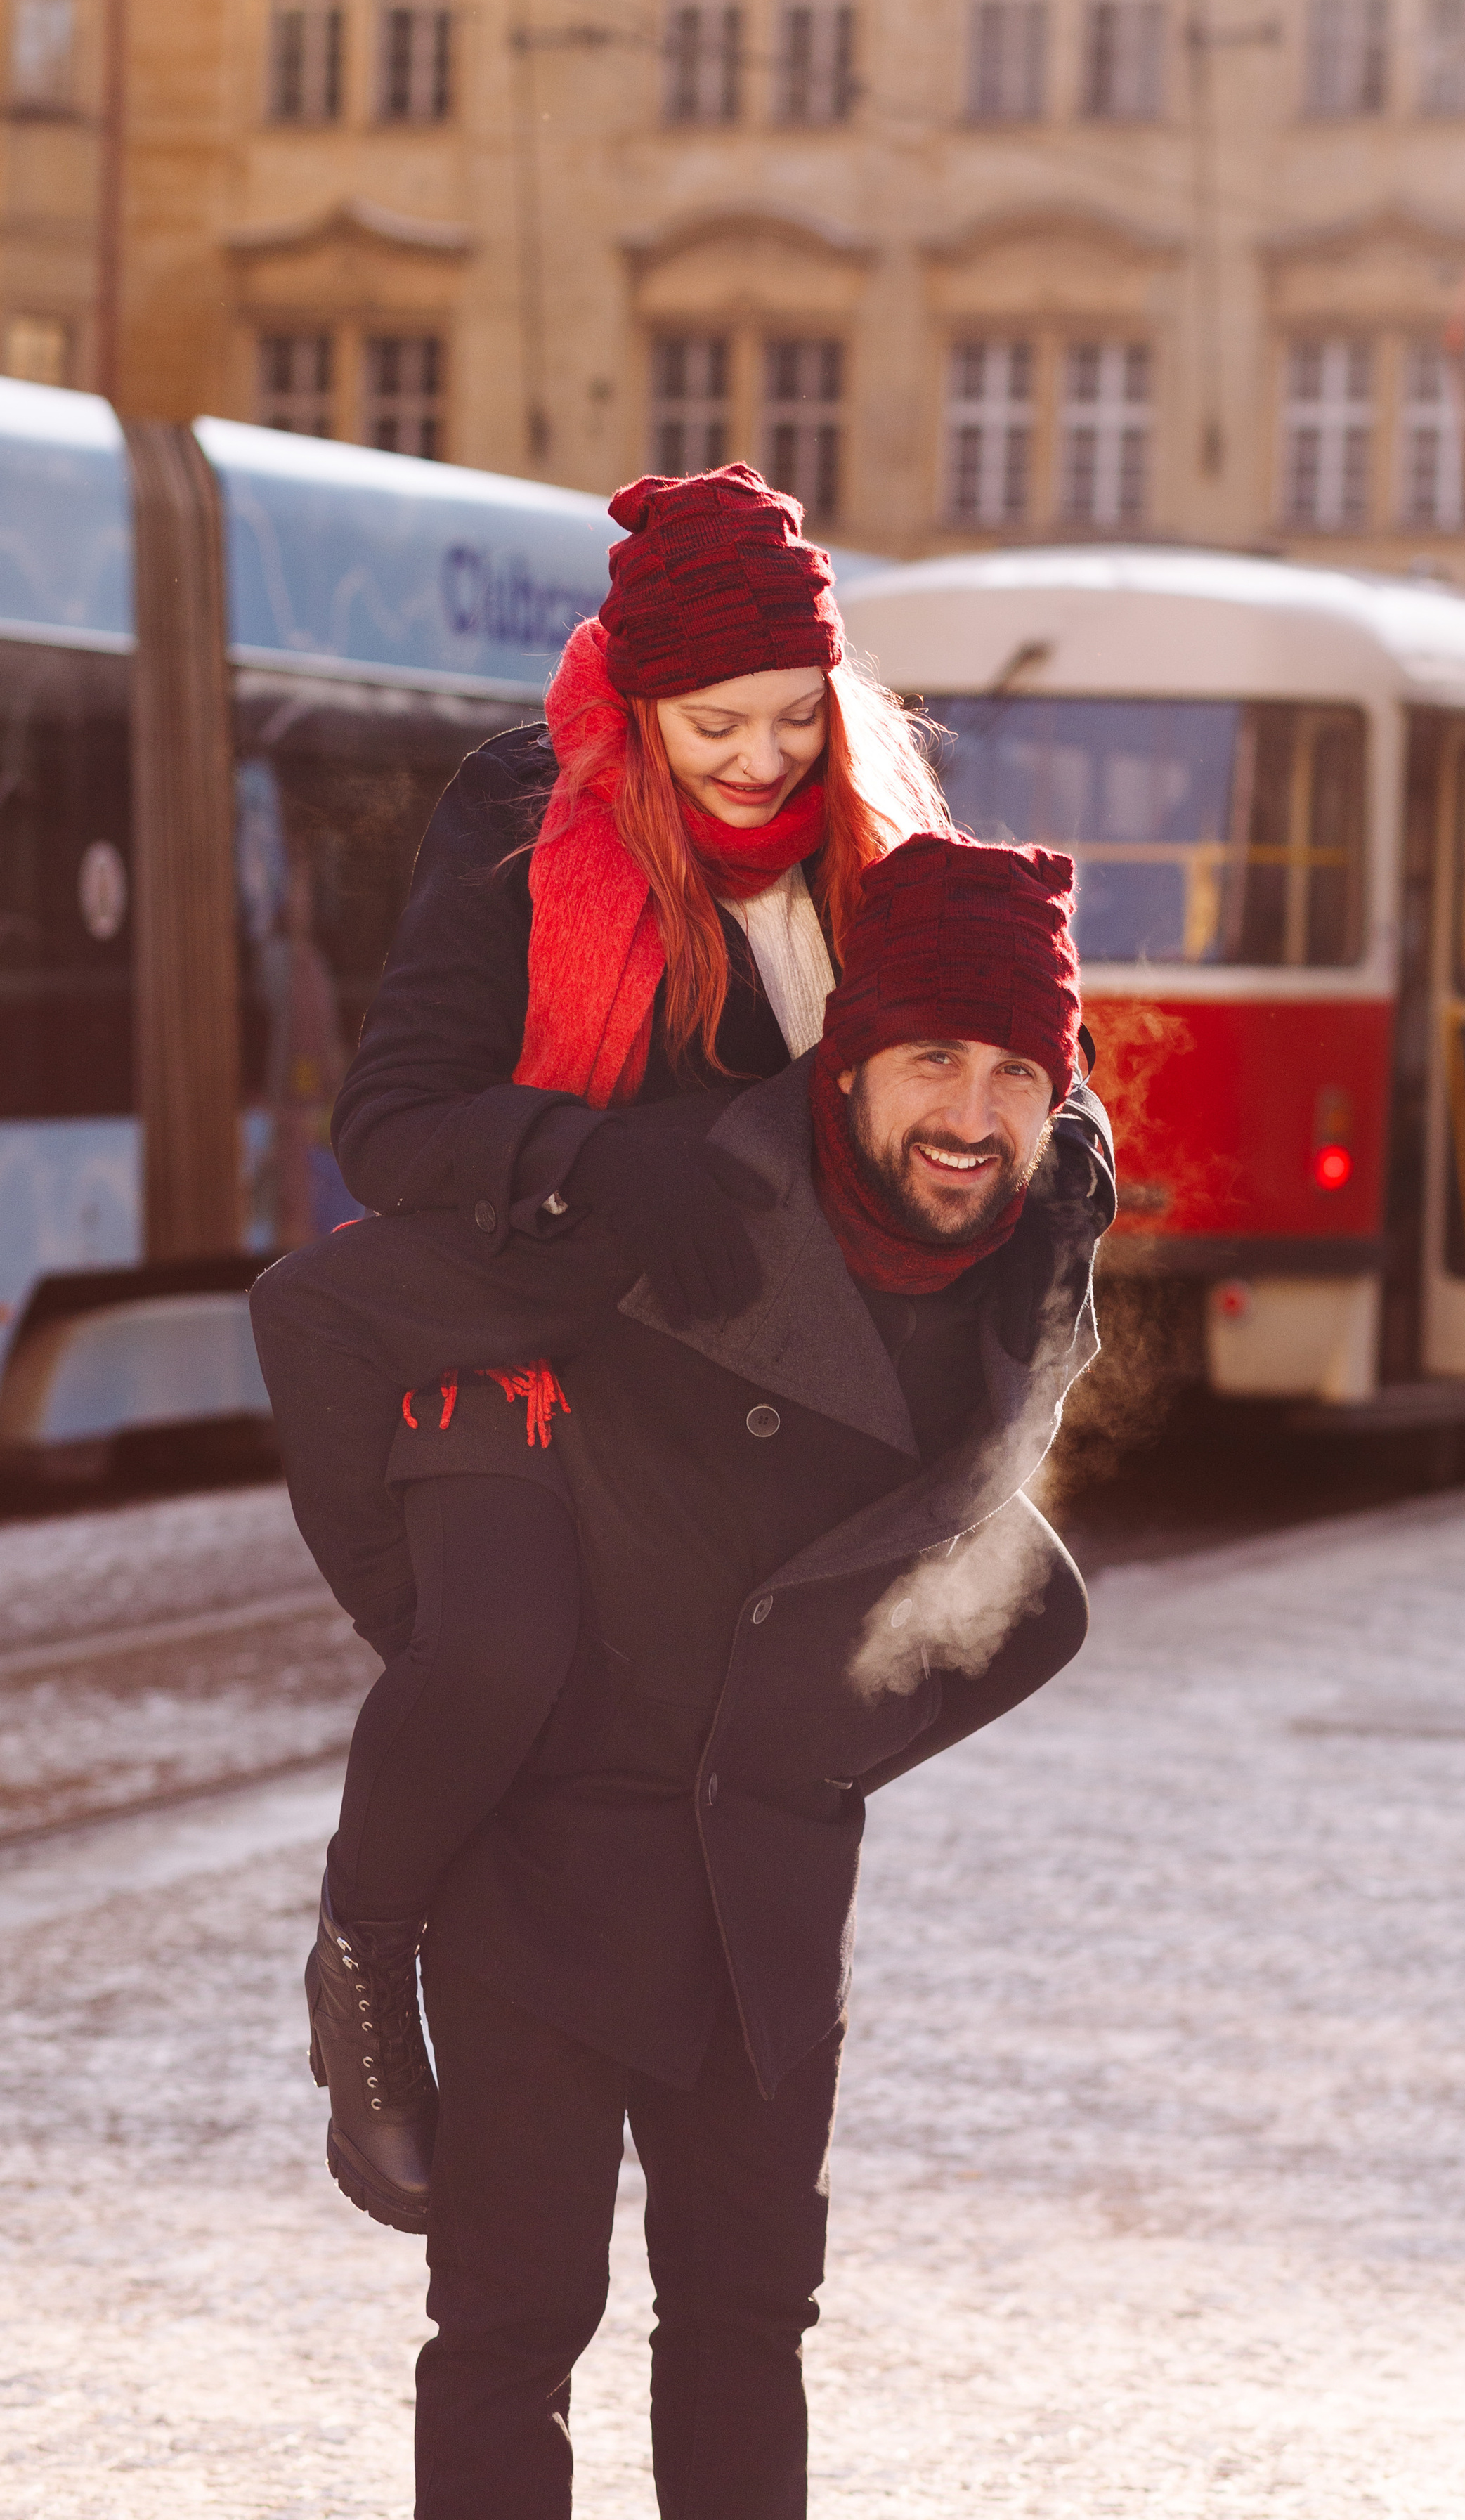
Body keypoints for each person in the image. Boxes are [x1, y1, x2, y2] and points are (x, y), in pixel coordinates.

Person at [251, 831, 1114, 2520]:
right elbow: (320, 1319)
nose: (971, 1112)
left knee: (746, 2327)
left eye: (1017, 1072)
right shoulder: (685, 1204)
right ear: (846, 1061)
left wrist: (813, 1741)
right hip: (548, 1873)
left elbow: (1030, 1598)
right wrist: (429, 1634)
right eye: (932, 1058)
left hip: (763, 1905)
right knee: (512, 2330)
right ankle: (360, 1948)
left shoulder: (1025, 1254)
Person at [279, 462, 956, 2230]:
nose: (760, 760)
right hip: (515, 1326)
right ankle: (364, 1958)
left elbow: (1020, 1057)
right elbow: (390, 1125)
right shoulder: (524, 810)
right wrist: (593, 1157)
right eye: (714, 724)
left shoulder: (879, 837)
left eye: (795, 718)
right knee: (502, 1653)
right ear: (637, 699)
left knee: (813, 1695)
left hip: (736, 1380)